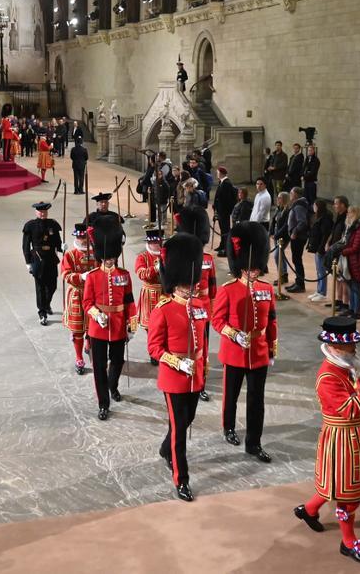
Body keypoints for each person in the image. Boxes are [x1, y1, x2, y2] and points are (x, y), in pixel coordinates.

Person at [293, 316, 360, 566]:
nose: (354, 348)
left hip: (354, 434)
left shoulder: (345, 367)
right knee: (347, 490)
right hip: (342, 436)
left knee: (337, 482)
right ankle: (348, 542)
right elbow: (348, 409)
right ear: (335, 347)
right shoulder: (328, 376)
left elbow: (358, 392)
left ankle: (309, 510)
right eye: (349, 346)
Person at [148, 233, 207, 502]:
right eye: (183, 284)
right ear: (174, 283)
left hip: (195, 375)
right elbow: (155, 348)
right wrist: (176, 361)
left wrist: (199, 363)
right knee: (180, 428)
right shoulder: (163, 309)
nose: (188, 288)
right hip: (173, 378)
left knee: (187, 420)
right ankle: (181, 479)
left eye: (189, 283)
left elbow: (202, 339)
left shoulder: (199, 306)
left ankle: (164, 448)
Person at [213, 222, 277, 463]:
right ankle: (228, 427)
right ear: (241, 268)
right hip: (234, 351)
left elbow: (271, 321)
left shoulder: (266, 289)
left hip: (258, 351)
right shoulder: (228, 289)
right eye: (249, 269)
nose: (253, 272)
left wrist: (271, 348)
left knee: (256, 400)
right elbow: (217, 319)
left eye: (256, 268)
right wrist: (234, 334)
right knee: (231, 395)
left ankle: (254, 442)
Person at [81, 215, 137, 420]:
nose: (110, 260)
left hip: (119, 325)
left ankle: (113, 386)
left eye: (112, 257)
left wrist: (132, 322)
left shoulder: (124, 274)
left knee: (117, 361)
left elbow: (130, 300)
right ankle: (103, 402)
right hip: (98, 328)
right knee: (98, 366)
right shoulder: (93, 276)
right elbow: (87, 303)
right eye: (107, 258)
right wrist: (97, 316)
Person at [174, 206, 218, 402]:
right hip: (182, 310)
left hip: (203, 311)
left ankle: (201, 383)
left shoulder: (208, 259)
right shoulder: (180, 258)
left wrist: (213, 312)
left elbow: (213, 288)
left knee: (202, 349)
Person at [61, 223, 98, 374]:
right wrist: (81, 277)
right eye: (79, 236)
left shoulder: (96, 253)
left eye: (84, 236)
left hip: (93, 294)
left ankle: (89, 345)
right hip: (77, 294)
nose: (82, 239)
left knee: (93, 325)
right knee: (77, 330)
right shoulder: (69, 255)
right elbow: (65, 275)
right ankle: (78, 357)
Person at [22, 202, 63, 325]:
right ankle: (42, 312)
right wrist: (28, 262)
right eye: (40, 211)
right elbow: (25, 246)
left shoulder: (53, 224)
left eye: (44, 211)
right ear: (36, 212)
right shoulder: (30, 225)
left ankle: (46, 304)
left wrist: (62, 247)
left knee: (52, 286)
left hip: (51, 258)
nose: (43, 213)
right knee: (40, 288)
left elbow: (57, 242)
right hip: (37, 259)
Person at [135, 227, 165, 364]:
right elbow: (141, 274)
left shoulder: (166, 255)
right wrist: (155, 269)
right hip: (150, 292)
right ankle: (153, 350)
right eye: (155, 242)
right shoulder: (143, 257)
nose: (157, 245)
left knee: (165, 324)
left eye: (159, 242)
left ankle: (163, 348)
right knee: (150, 326)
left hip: (165, 292)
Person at [286, 187, 311, 294]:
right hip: (297, 236)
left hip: (298, 237)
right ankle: (298, 282)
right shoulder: (299, 204)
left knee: (297, 260)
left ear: (296, 194)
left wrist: (294, 232)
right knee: (296, 260)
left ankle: (300, 284)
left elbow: (302, 222)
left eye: (291, 192)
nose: (290, 194)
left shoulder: (299, 206)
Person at [212, 167, 236, 256]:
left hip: (224, 211)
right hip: (220, 210)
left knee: (225, 229)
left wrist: (225, 210)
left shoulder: (227, 184)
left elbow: (227, 199)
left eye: (217, 173)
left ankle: (226, 248)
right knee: (222, 229)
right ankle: (222, 245)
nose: (217, 174)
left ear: (221, 173)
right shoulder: (221, 182)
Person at [271, 191, 291, 287]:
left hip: (283, 237)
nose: (277, 199)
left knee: (277, 255)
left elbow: (286, 225)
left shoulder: (287, 210)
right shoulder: (278, 209)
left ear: (285, 199)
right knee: (280, 255)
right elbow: (273, 221)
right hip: (276, 235)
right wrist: (271, 232)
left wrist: (277, 234)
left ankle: (281, 275)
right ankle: (284, 275)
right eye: (277, 197)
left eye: (280, 198)